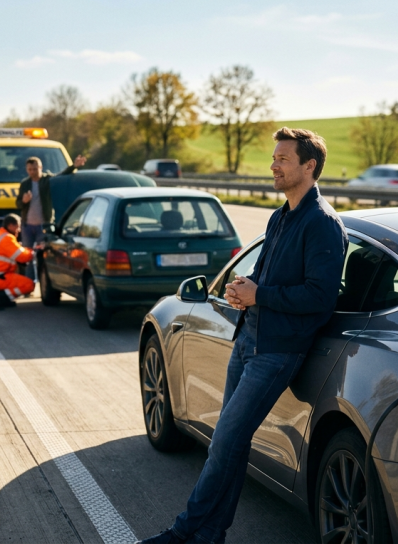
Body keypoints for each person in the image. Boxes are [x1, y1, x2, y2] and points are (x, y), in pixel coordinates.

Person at [137, 128, 347, 544]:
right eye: (274, 157)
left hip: (277, 351)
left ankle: (184, 534)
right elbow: (271, 278)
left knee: (225, 442)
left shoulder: (323, 224)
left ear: (309, 166)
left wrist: (260, 294)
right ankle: (210, 533)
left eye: (283, 159)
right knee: (228, 445)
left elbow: (321, 297)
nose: (274, 165)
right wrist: (244, 288)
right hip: (247, 340)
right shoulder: (280, 215)